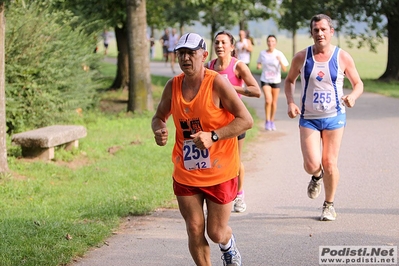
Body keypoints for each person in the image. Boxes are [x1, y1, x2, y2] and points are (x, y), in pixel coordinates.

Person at [152, 32, 253, 265]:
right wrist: (159, 130)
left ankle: (228, 245)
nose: (185, 58)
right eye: (181, 54)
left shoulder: (217, 83)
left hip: (220, 170)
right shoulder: (173, 86)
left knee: (216, 232)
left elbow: (246, 120)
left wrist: (214, 136)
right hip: (186, 171)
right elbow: (158, 116)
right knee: (195, 227)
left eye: (191, 53)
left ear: (204, 55)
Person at [284, 14, 363, 221]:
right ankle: (316, 176)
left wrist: (353, 97)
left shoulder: (342, 57)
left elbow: (358, 83)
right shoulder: (302, 57)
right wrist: (291, 102)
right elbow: (290, 80)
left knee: (330, 162)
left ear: (331, 32)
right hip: (308, 118)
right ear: (311, 33)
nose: (319, 33)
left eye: (323, 29)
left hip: (334, 116)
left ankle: (329, 205)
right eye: (316, 30)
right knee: (312, 164)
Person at [207, 30, 261, 213]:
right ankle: (214, 196)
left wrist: (234, 88)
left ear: (232, 46)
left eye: (223, 43)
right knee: (212, 159)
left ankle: (239, 195)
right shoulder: (209, 66)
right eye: (217, 43)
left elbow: (256, 90)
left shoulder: (239, 66)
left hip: (235, 120)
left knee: (235, 159)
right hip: (214, 121)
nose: (219, 46)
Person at [256, 35, 289, 131]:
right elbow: (259, 62)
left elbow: (284, 69)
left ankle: (272, 121)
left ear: (275, 43)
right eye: (269, 41)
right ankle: (267, 120)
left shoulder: (279, 54)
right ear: (267, 42)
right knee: (268, 100)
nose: (271, 43)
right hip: (265, 79)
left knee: (274, 103)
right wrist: (258, 66)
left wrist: (280, 61)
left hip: (276, 80)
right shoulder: (262, 53)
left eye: (273, 41)